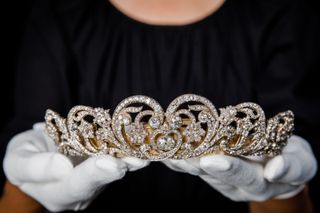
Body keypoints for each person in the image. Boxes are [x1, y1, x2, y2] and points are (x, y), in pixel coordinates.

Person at [0, 0, 319, 212]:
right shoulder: (61, 12)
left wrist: (283, 193)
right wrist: (25, 185)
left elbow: (290, 188)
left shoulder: (279, 11)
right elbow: (19, 201)